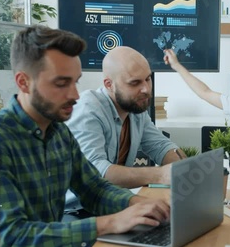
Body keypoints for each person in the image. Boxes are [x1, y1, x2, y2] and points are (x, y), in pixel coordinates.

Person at [0, 25, 170, 247]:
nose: (75, 94)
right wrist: (110, 223)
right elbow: (7, 241)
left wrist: (136, 205)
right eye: (62, 84)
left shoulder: (60, 132)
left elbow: (93, 188)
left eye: (76, 82)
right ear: (23, 82)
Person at [66, 46, 185, 189]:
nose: (146, 89)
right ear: (109, 85)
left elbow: (161, 146)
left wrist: (185, 169)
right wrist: (159, 174)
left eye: (147, 79)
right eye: (134, 83)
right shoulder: (88, 108)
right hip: (78, 209)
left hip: (113, 199)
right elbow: (95, 171)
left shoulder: (136, 108)